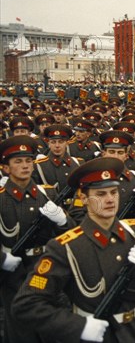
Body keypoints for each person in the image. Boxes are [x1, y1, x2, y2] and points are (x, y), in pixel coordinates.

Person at [12, 157, 135, 343]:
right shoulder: (65, 246)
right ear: (83, 198)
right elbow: (26, 303)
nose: (109, 200)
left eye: (113, 192)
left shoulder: (134, 229)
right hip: (97, 335)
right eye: (100, 194)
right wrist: (76, 326)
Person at [0, 136, 73, 342]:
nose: (25, 166)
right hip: (14, 274)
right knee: (21, 330)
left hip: (46, 268)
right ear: (6, 168)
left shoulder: (47, 194)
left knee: (49, 326)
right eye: (18, 161)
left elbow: (71, 233)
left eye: (28, 161)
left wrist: (62, 221)